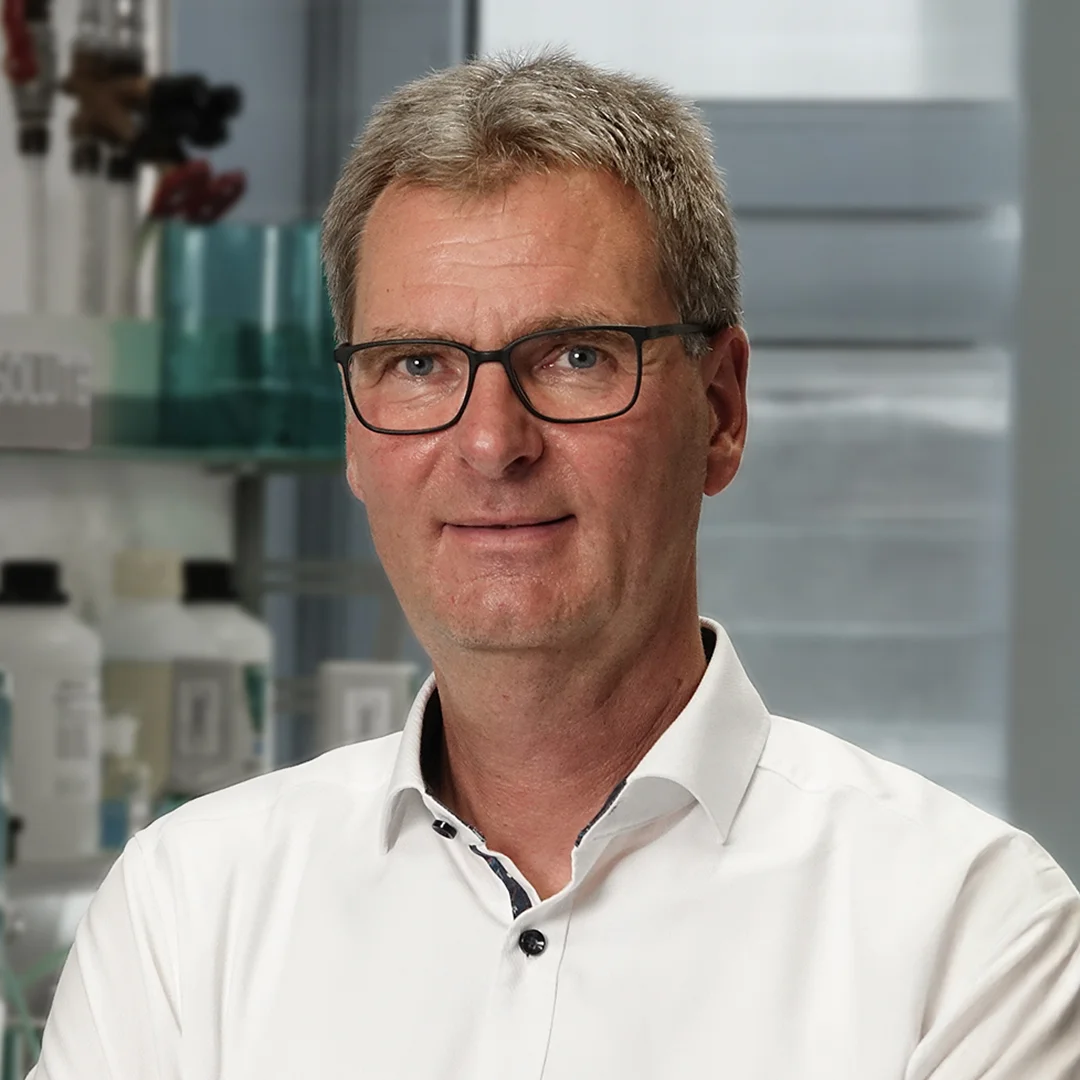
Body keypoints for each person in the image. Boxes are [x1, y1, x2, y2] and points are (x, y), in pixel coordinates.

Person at [30, 52, 1080, 1079]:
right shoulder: (187, 911)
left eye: (577, 356)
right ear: (353, 433)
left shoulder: (970, 937)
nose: (492, 443)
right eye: (417, 363)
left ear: (720, 409)